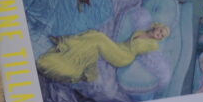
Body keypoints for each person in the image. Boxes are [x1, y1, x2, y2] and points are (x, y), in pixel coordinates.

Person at [37, 23, 170, 84]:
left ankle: (66, 46)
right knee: (94, 35)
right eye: (160, 30)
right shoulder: (142, 30)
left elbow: (153, 61)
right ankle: (66, 43)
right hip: (118, 48)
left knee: (98, 39)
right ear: (157, 26)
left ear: (159, 39)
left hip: (124, 57)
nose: (159, 34)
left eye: (161, 36)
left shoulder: (153, 45)